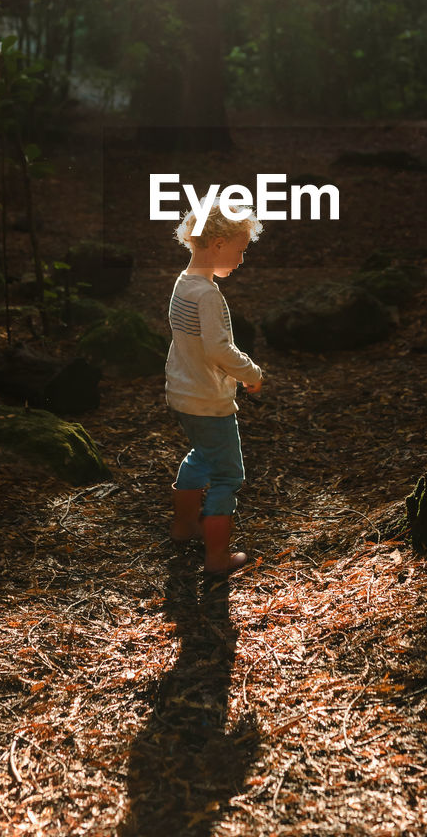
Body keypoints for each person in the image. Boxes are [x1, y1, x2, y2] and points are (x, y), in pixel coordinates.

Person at [165, 200, 263, 574]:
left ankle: (183, 526)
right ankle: (217, 558)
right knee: (227, 475)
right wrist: (251, 373)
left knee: (201, 456)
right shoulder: (208, 295)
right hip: (208, 399)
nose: (240, 260)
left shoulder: (184, 282)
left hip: (183, 393)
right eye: (239, 250)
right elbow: (219, 349)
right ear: (218, 243)